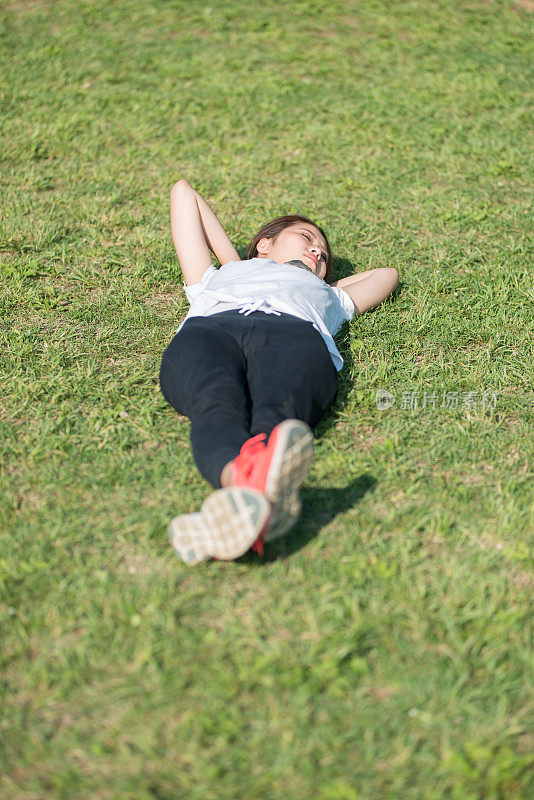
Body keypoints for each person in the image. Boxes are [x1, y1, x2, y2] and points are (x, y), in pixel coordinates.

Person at [159, 179, 399, 564]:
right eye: (306, 237)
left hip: (292, 336)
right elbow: (183, 192)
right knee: (215, 401)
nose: (317, 249)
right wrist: (239, 261)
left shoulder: (331, 298)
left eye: (322, 252)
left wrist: (310, 280)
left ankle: (240, 492)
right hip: (211, 331)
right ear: (266, 243)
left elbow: (386, 275)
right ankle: (255, 493)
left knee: (278, 411)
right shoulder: (212, 277)